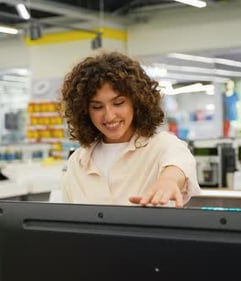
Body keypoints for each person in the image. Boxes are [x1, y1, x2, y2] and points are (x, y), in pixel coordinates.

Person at [60, 51, 200, 208]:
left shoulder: (162, 145)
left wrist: (168, 181)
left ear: (137, 102)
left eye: (118, 103)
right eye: (97, 107)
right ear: (84, 111)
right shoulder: (78, 162)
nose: (109, 116)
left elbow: (178, 165)